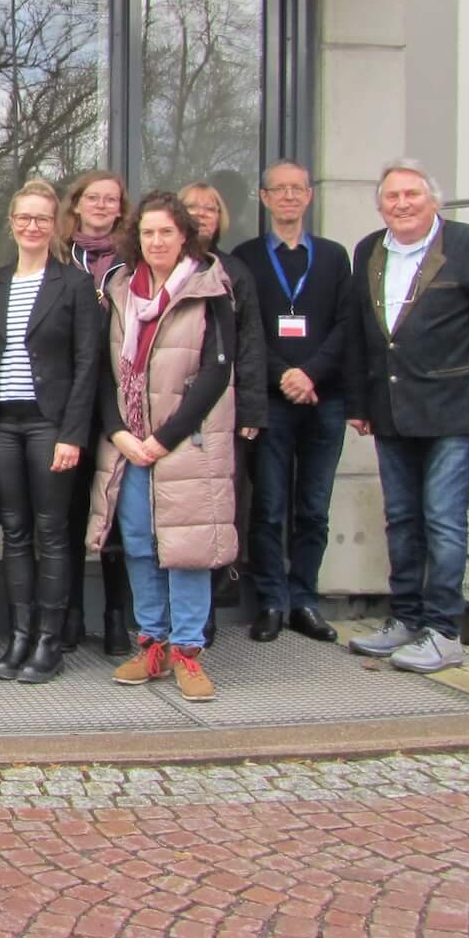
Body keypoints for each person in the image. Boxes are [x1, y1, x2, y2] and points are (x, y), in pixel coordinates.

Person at [344, 159, 469, 674]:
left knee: (444, 521)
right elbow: (363, 334)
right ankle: (405, 619)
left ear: (434, 200)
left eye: (412, 194)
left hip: (454, 407)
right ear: (380, 205)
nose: (402, 204)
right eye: (392, 197)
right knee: (401, 520)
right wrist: (358, 404)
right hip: (390, 410)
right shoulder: (368, 252)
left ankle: (443, 629)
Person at [86, 193, 241, 704]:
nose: (156, 242)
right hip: (130, 444)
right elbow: (105, 370)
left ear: (184, 237)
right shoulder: (119, 289)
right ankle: (151, 644)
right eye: (148, 233)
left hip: (184, 442)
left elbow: (216, 372)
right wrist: (121, 433)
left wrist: (162, 438)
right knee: (139, 543)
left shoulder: (209, 287)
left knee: (186, 548)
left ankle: (188, 653)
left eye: (166, 233)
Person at [0, 179, 103, 684]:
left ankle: (50, 640)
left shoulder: (74, 285)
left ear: (55, 225)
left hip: (50, 424)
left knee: (51, 532)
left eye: (42, 218)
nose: (32, 226)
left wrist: (73, 433)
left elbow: (88, 364)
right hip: (2, 423)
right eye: (24, 217)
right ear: (12, 223)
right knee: (14, 533)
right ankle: (19, 636)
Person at [231, 161, 356, 644]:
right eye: (278, 190)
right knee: (268, 506)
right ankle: (270, 601)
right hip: (271, 400)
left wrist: (312, 373)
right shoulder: (246, 257)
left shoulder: (332, 257)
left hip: (324, 399)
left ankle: (304, 599)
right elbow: (247, 333)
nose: (287, 197)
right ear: (263, 198)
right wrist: (284, 374)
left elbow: (346, 326)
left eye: (296, 189)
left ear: (309, 197)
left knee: (314, 507)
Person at [178, 181, 269, 644]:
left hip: (223, 411)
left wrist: (252, 406)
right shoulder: (164, 268)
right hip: (170, 413)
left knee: (219, 510)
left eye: (209, 208)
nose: (200, 215)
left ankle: (208, 608)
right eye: (191, 207)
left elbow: (251, 344)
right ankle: (177, 614)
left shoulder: (235, 272)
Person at [60, 169, 134, 657]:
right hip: (66, 401)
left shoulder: (134, 261)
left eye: (112, 200)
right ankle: (69, 615)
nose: (102, 206)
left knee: (116, 514)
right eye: (94, 198)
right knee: (66, 513)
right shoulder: (56, 258)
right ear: (78, 205)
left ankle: (114, 617)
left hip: (121, 402)